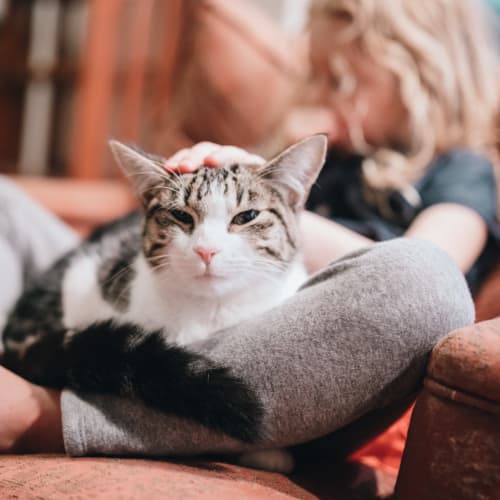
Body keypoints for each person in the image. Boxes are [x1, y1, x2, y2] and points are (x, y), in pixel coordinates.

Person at [0, 0, 496, 464]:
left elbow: (439, 265)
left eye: (341, 80)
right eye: (315, 76)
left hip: (286, 353)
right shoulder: (322, 153)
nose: (321, 95)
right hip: (174, 295)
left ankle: (51, 416)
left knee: (423, 280)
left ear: (423, 73)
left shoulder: (458, 170)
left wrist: (279, 201)